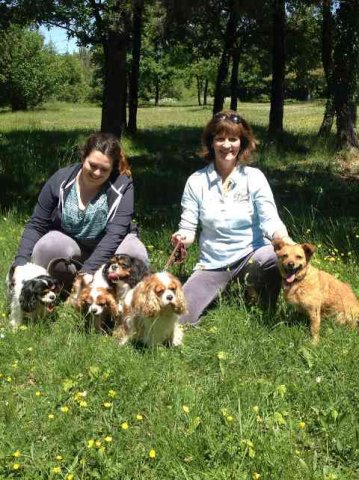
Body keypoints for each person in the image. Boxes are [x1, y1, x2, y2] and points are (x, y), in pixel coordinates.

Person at [171, 110, 294, 325]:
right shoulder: (195, 181)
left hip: (251, 254)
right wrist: (181, 238)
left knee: (274, 257)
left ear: (242, 143)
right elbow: (188, 227)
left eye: (233, 139)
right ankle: (226, 292)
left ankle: (265, 307)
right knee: (180, 318)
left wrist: (287, 242)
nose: (226, 145)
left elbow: (270, 219)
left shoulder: (254, 177)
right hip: (212, 264)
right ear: (211, 143)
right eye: (220, 139)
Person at [10, 132, 148, 294]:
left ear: (112, 169)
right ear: (83, 158)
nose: (97, 173)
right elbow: (37, 224)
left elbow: (115, 234)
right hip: (74, 244)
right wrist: (21, 263)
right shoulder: (60, 179)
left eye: (104, 169)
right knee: (46, 246)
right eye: (92, 165)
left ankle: (124, 304)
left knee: (135, 254)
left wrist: (88, 270)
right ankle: (55, 290)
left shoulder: (123, 185)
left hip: (113, 245)